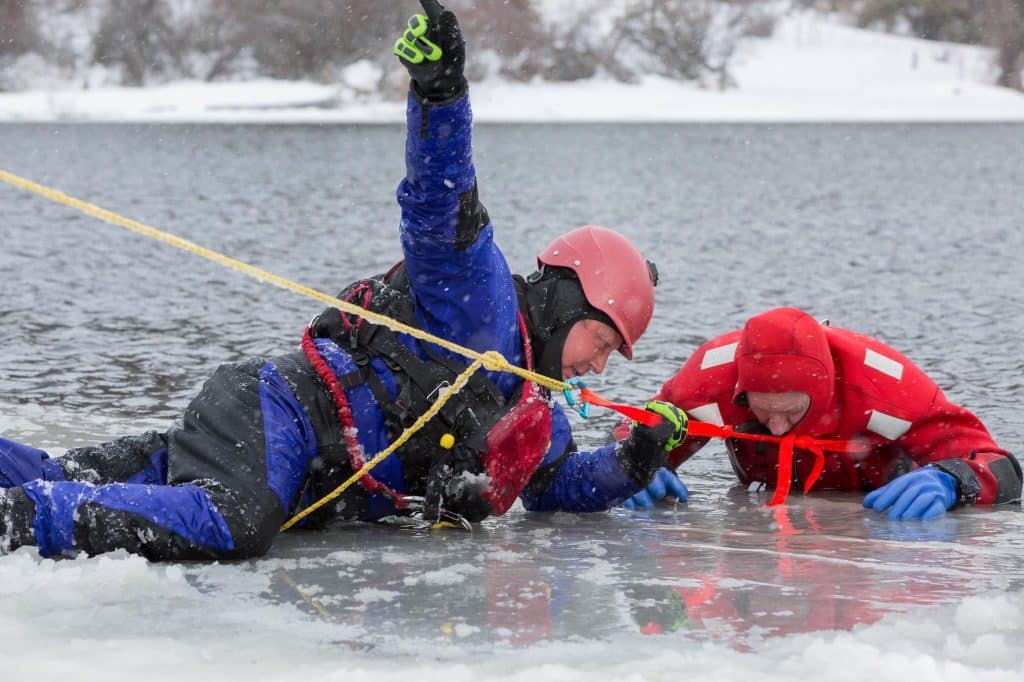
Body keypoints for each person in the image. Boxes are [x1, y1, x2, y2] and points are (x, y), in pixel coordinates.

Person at [0, 0, 687, 560]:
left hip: (286, 470)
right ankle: (21, 520)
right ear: (567, 300)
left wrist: (633, 462)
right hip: (277, 419)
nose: (598, 363)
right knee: (232, 520)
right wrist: (441, 95)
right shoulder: (480, 297)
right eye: (601, 339)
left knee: (67, 471)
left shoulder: (534, 411)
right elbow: (436, 200)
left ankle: (27, 489)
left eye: (611, 355)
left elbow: (554, 487)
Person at [619, 306, 1021, 520]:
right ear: (740, 391)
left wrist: (954, 481)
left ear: (823, 393)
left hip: (874, 516)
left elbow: (1000, 466)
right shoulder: (710, 381)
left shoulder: (888, 389)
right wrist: (636, 465)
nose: (775, 427)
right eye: (762, 411)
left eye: (791, 411)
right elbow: (629, 432)